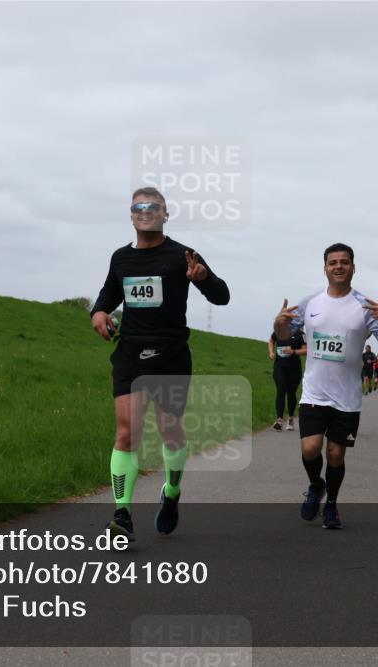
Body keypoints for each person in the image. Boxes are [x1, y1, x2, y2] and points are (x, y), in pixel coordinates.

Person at [91, 187, 230, 540]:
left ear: (165, 214)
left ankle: (171, 492)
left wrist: (203, 279)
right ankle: (122, 515)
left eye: (154, 207)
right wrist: (100, 311)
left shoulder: (183, 255)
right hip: (130, 355)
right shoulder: (121, 258)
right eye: (139, 206)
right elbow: (110, 292)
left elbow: (222, 296)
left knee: (169, 429)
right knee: (127, 432)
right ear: (131, 214)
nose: (146, 211)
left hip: (170, 355)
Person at [274, 243, 378, 529]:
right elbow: (283, 336)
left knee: (335, 454)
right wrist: (279, 323)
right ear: (325, 268)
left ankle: (331, 505)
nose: (338, 266)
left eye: (344, 262)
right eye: (333, 262)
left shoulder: (366, 308)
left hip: (347, 397)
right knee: (310, 449)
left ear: (353, 267)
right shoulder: (310, 304)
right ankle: (317, 485)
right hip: (315, 391)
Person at [269, 329, 306, 431]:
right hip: (280, 367)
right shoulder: (279, 329)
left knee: (291, 393)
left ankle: (290, 418)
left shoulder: (300, 334)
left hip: (294, 369)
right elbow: (271, 341)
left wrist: (294, 351)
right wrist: (271, 352)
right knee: (280, 390)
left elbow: (306, 350)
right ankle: (279, 420)